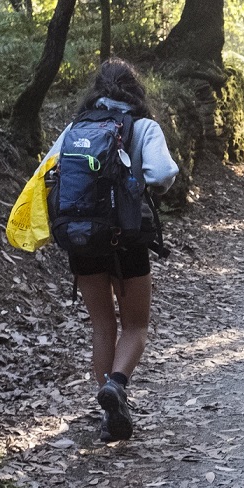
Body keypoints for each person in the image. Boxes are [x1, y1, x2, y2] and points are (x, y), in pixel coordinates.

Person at [41, 59, 179, 443]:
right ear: (134, 90)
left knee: (102, 326)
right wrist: (138, 187)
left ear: (96, 89)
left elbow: (49, 171)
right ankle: (117, 386)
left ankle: (106, 411)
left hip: (83, 238)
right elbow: (163, 173)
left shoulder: (76, 128)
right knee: (136, 324)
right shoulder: (144, 127)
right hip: (129, 237)